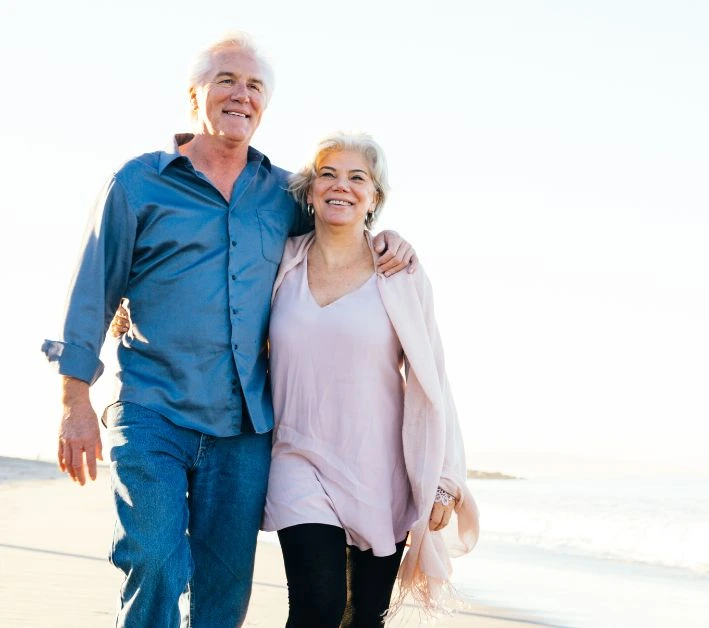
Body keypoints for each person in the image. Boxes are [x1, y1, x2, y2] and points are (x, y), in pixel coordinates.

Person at [42, 34, 416, 627]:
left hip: (245, 427)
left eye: (254, 86)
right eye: (225, 80)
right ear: (194, 95)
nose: (240, 95)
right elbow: (94, 289)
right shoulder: (139, 183)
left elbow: (340, 225)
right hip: (152, 409)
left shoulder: (283, 193)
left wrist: (388, 240)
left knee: (225, 594)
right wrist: (74, 401)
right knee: (157, 560)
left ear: (265, 105)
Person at [261, 132, 478, 626]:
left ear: (375, 196)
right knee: (318, 608)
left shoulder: (398, 273)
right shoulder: (280, 262)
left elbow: (433, 378)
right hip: (297, 457)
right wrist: (133, 309)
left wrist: (447, 479)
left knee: (364, 619)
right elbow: (218, 302)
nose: (342, 186)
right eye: (328, 174)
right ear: (310, 191)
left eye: (357, 177)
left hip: (380, 468)